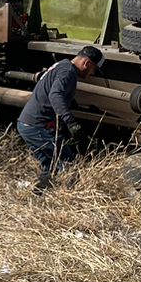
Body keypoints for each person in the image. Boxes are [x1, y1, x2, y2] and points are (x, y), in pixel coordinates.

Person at [17, 45, 104, 189]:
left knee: (50, 166)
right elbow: (55, 95)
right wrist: (71, 122)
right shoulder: (68, 72)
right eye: (93, 70)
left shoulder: (62, 65)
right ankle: (70, 194)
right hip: (37, 126)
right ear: (87, 63)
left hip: (27, 124)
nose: (91, 74)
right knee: (68, 163)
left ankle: (41, 193)